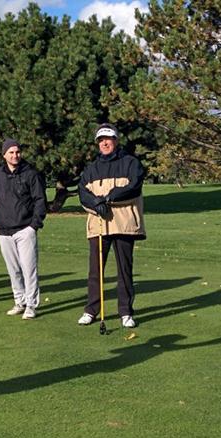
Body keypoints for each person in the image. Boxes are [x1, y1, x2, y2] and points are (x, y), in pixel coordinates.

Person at [77, 123, 146, 328]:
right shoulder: (91, 168)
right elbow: (83, 193)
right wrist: (96, 204)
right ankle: (91, 310)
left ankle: (125, 312)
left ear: (116, 140)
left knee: (124, 269)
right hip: (98, 224)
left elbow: (134, 187)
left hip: (123, 224)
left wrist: (108, 198)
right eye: (101, 140)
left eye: (108, 139)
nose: (105, 143)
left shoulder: (130, 162)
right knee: (95, 270)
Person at [0, 139, 47, 320]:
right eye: (11, 152)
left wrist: (34, 225)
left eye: (17, 152)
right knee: (13, 270)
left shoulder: (30, 174)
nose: (15, 155)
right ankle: (19, 301)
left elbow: (40, 201)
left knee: (29, 269)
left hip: (25, 228)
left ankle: (31, 305)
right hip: (3, 230)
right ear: (4, 154)